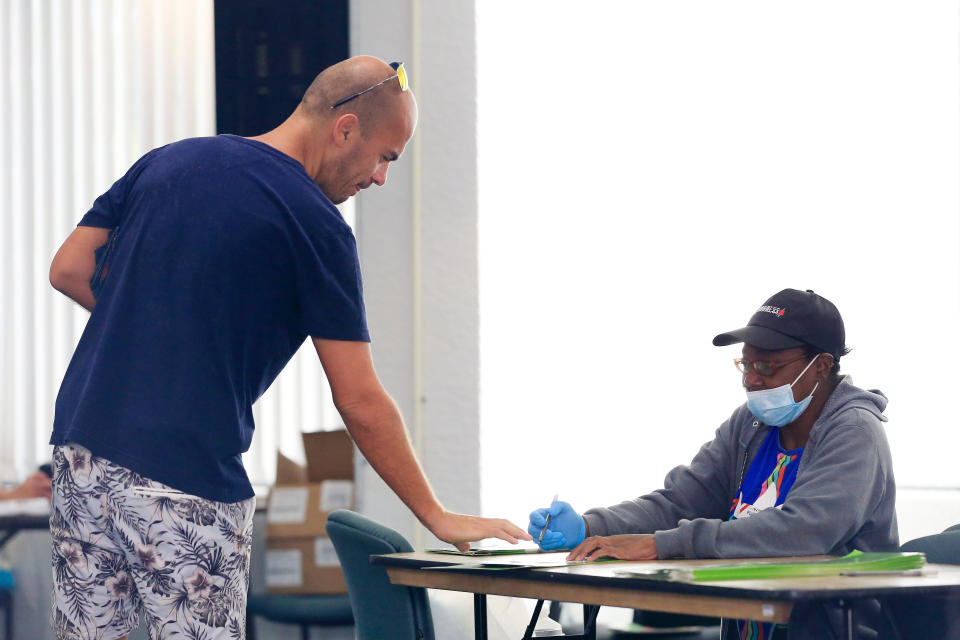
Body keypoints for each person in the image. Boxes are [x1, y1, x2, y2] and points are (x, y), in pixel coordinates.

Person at [48, 56, 529, 639]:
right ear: (344, 128)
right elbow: (360, 400)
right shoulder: (316, 227)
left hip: (81, 452)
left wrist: (152, 328)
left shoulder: (170, 161)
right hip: (181, 473)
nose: (380, 178)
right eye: (384, 157)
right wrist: (436, 515)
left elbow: (69, 269)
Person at [528, 289, 897, 639]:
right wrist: (592, 527)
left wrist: (663, 544)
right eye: (746, 364)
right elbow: (682, 501)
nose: (751, 380)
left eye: (768, 366)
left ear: (821, 366)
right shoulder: (750, 425)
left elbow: (803, 531)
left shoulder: (854, 430)